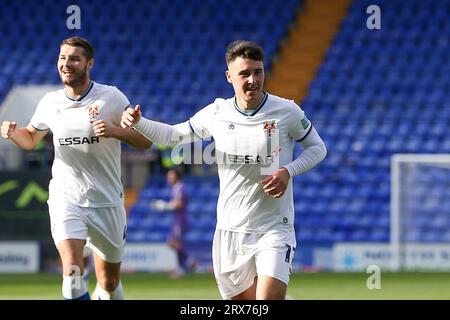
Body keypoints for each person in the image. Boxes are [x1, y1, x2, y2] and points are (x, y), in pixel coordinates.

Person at [121, 40, 327, 300]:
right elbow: (173, 135)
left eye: (258, 72)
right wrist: (139, 122)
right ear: (229, 77)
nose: (253, 80)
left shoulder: (286, 111)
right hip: (230, 230)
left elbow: (317, 148)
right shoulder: (217, 113)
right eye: (244, 74)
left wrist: (288, 170)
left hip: (274, 228)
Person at [1, 36, 151, 300]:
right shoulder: (50, 102)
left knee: (109, 282)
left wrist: (116, 131)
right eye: (62, 58)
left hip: (106, 202)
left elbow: (145, 140)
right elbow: (30, 139)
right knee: (72, 273)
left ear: (89, 63)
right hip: (66, 198)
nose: (66, 64)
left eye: (74, 58)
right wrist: (14, 133)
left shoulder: (112, 97)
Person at [150, 167, 193, 277]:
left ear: (177, 176)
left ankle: (187, 262)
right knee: (172, 243)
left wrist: (164, 205)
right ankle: (184, 264)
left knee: (175, 243)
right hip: (177, 218)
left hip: (180, 219)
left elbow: (179, 204)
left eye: (171, 175)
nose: (168, 177)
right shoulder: (176, 188)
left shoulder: (180, 188)